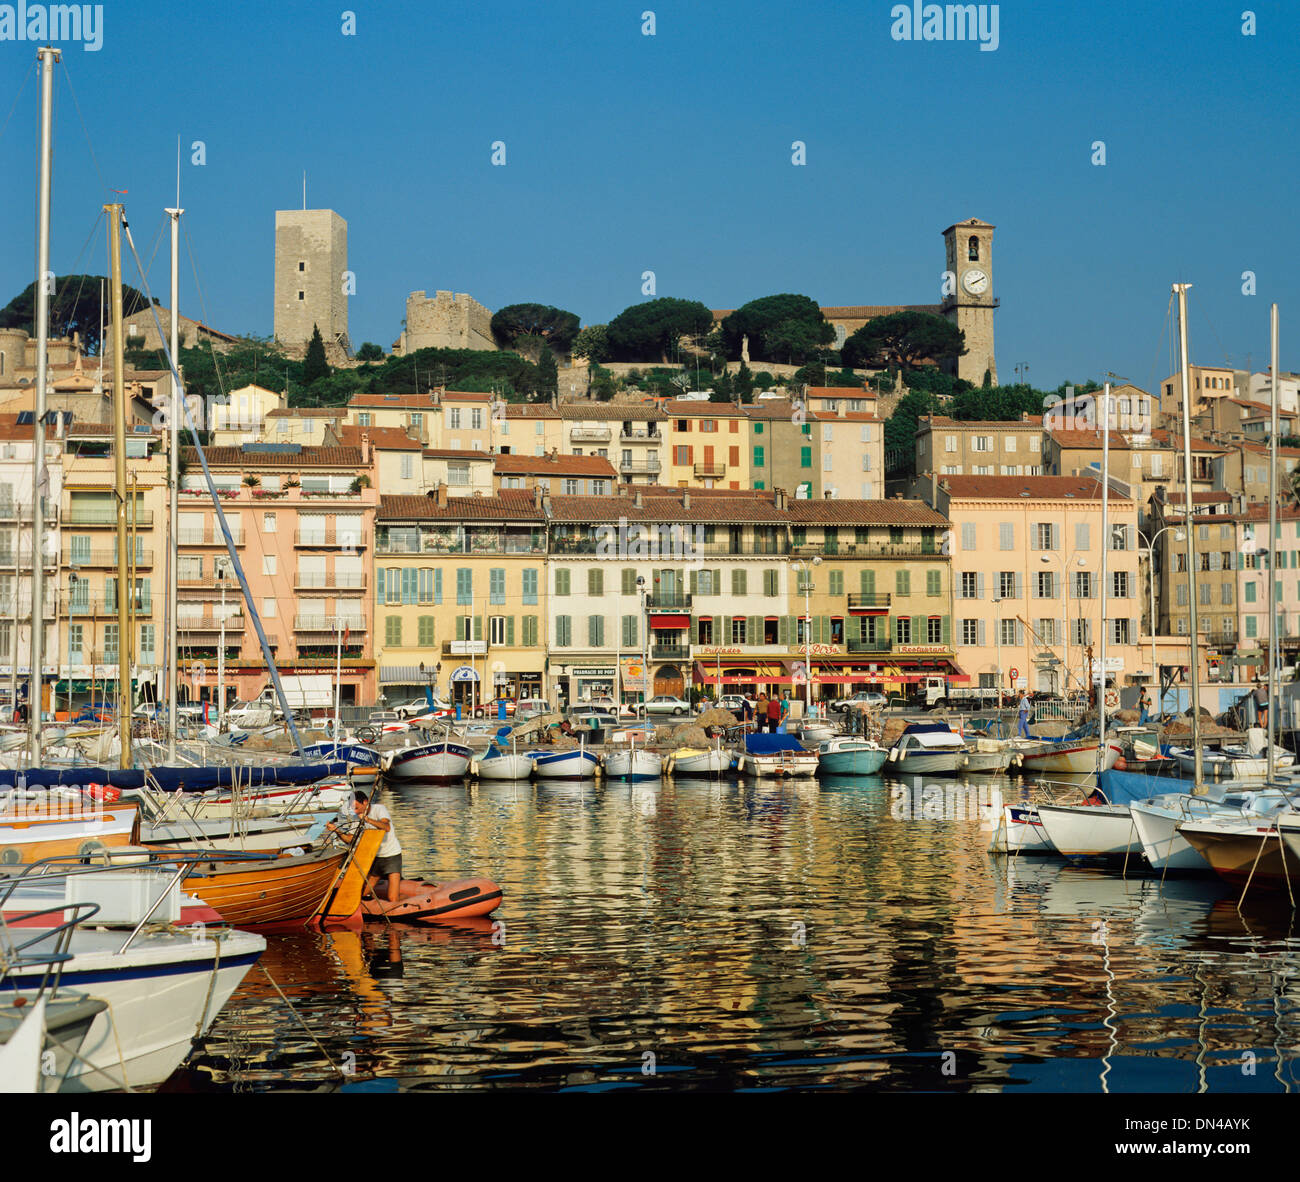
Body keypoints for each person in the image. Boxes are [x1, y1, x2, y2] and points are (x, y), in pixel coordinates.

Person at [327, 790, 403, 905]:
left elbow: (386, 827)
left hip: (391, 856)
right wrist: (336, 830)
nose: (355, 811)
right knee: (363, 895)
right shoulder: (356, 817)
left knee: (393, 898)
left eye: (357, 807)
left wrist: (367, 819)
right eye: (353, 808)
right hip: (375, 858)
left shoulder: (379, 809)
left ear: (365, 802)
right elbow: (350, 839)